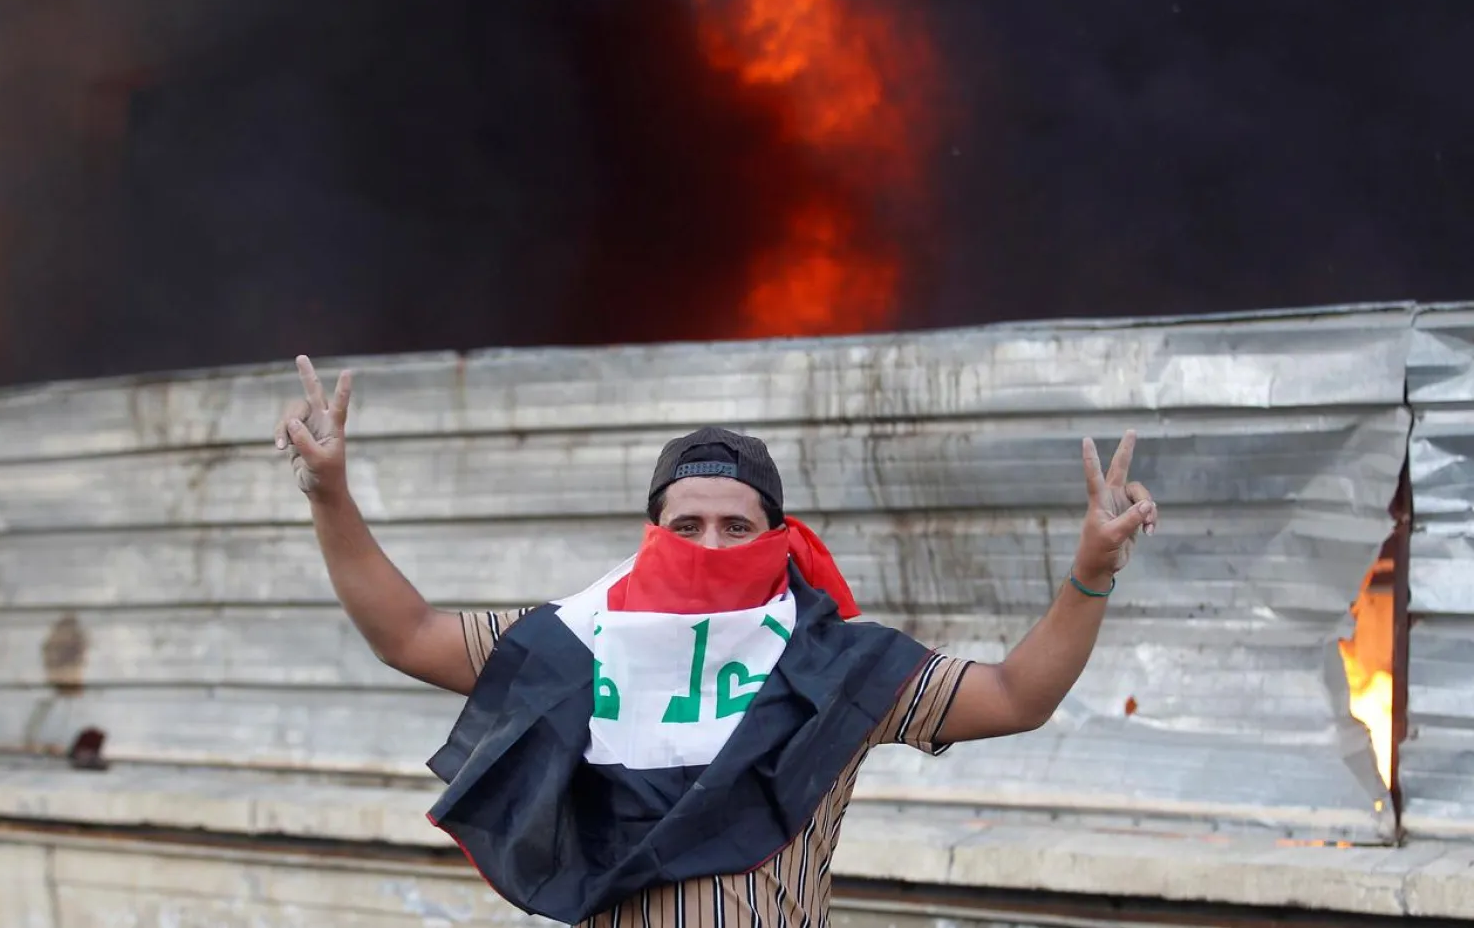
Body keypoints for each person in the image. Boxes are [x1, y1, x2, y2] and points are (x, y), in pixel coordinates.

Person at [274, 355, 1159, 928]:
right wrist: (328, 494)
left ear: (779, 537)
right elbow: (407, 633)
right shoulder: (582, 640)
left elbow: (1015, 696)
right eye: (686, 522)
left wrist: (1090, 570)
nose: (709, 544)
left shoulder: (840, 668)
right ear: (650, 530)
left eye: (737, 527)